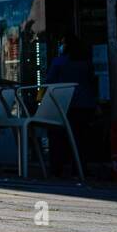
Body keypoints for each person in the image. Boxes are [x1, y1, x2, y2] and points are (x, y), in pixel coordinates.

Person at [44, 33, 98, 178]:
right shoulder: (86, 62)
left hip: (64, 105)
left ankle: (57, 169)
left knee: (59, 138)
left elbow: (49, 81)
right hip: (85, 105)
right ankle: (80, 168)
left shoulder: (59, 62)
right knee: (81, 139)